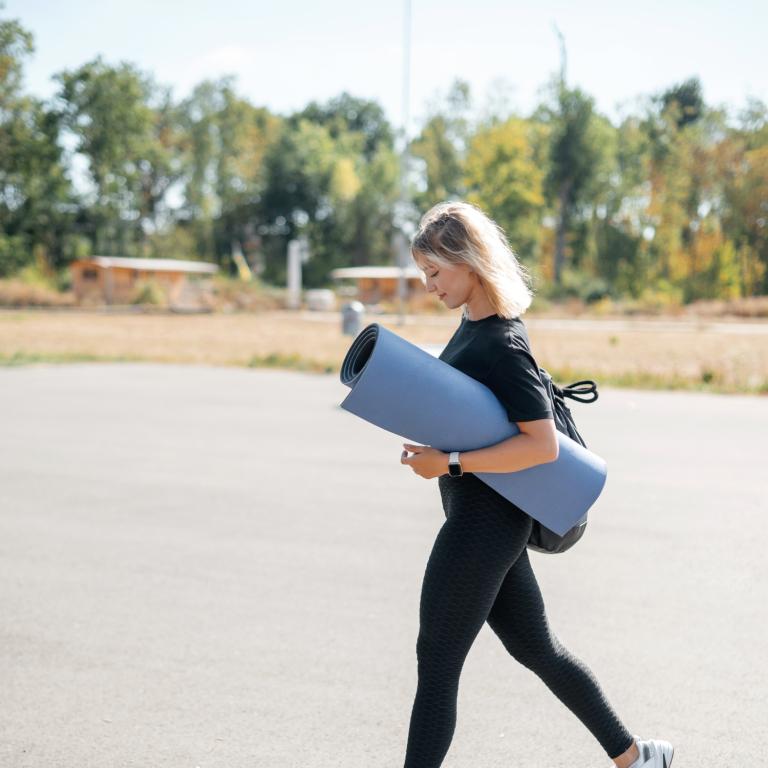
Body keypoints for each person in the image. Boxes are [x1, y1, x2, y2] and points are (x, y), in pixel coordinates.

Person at [399, 201, 674, 768]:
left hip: (488, 518)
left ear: (469, 262)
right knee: (536, 647)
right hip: (483, 514)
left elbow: (541, 445)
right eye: (424, 274)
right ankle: (636, 758)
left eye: (435, 272)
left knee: (437, 657)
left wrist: (449, 463)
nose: (429, 286)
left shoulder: (503, 342)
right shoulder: (471, 328)